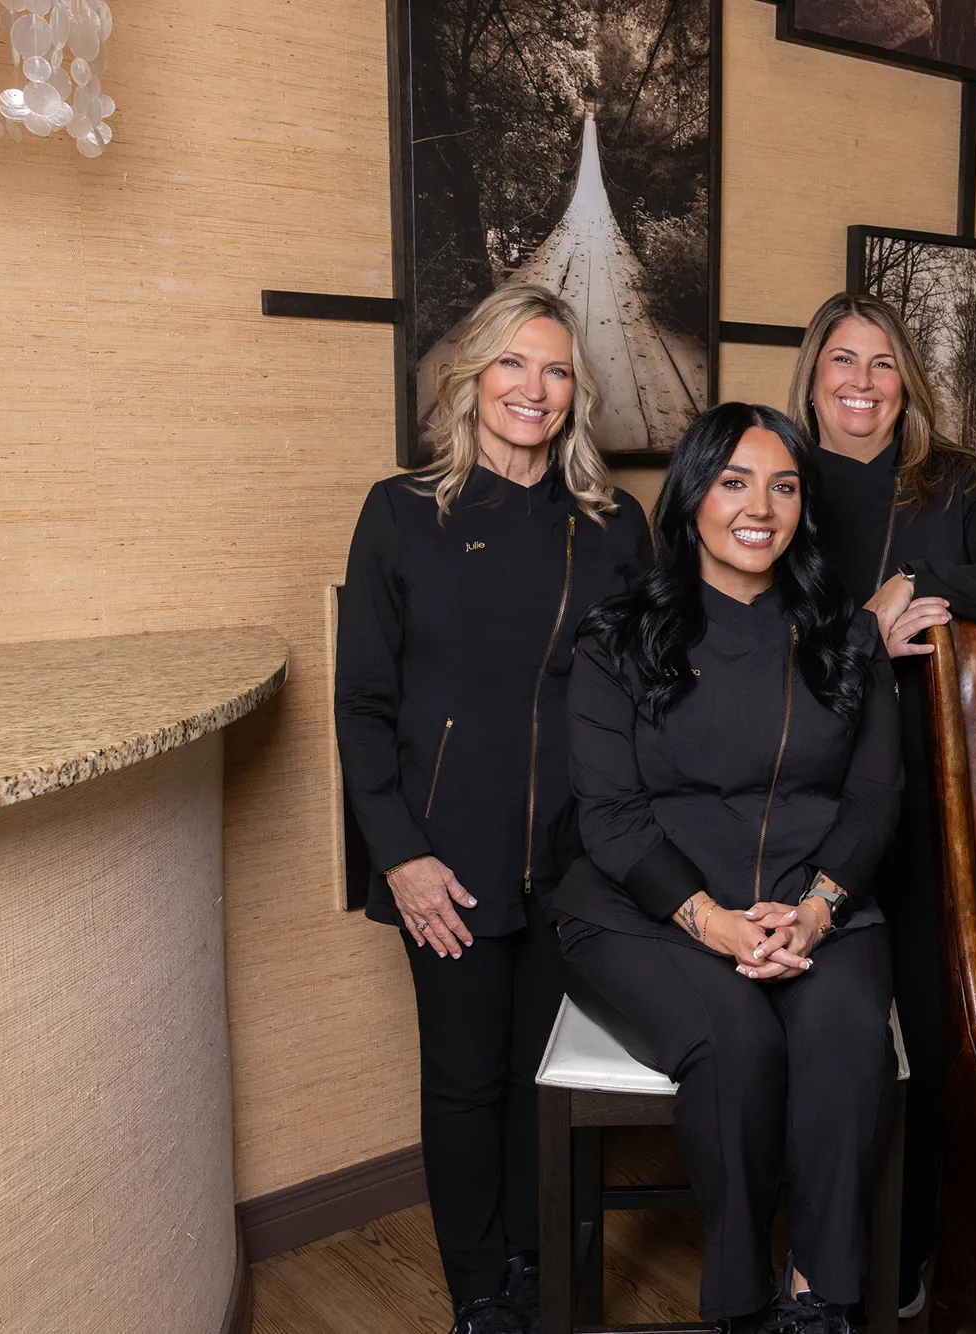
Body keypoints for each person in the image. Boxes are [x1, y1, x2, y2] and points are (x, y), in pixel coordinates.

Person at [336, 283, 654, 1334]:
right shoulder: (401, 513)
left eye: (556, 369)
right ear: (470, 379)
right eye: (513, 364)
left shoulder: (612, 527)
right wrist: (399, 855)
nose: (534, 387)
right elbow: (364, 703)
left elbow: (647, 696)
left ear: (575, 392)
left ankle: (530, 1259)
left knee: (539, 1076)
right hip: (445, 860)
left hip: (574, 859)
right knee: (466, 1078)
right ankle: (480, 1288)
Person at [550, 402, 903, 1334]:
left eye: (784, 486)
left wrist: (818, 911)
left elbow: (873, 800)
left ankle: (819, 1293)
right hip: (647, 907)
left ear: (804, 509)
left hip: (818, 900)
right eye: (735, 481)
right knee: (737, 1043)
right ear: (693, 495)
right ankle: (740, 1301)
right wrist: (712, 920)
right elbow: (613, 820)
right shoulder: (618, 635)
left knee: (844, 1039)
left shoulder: (848, 640)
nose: (761, 506)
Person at [786, 292, 976, 1314]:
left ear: (906, 380)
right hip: (787, 800)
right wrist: (863, 628)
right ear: (812, 374)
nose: (861, 385)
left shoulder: (949, 483)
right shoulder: (774, 472)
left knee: (917, 1042)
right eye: (841, 363)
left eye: (882, 365)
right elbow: (720, 620)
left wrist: (920, 579)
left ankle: (900, 1256)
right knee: (811, 1036)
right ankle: (808, 1252)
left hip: (917, 810)